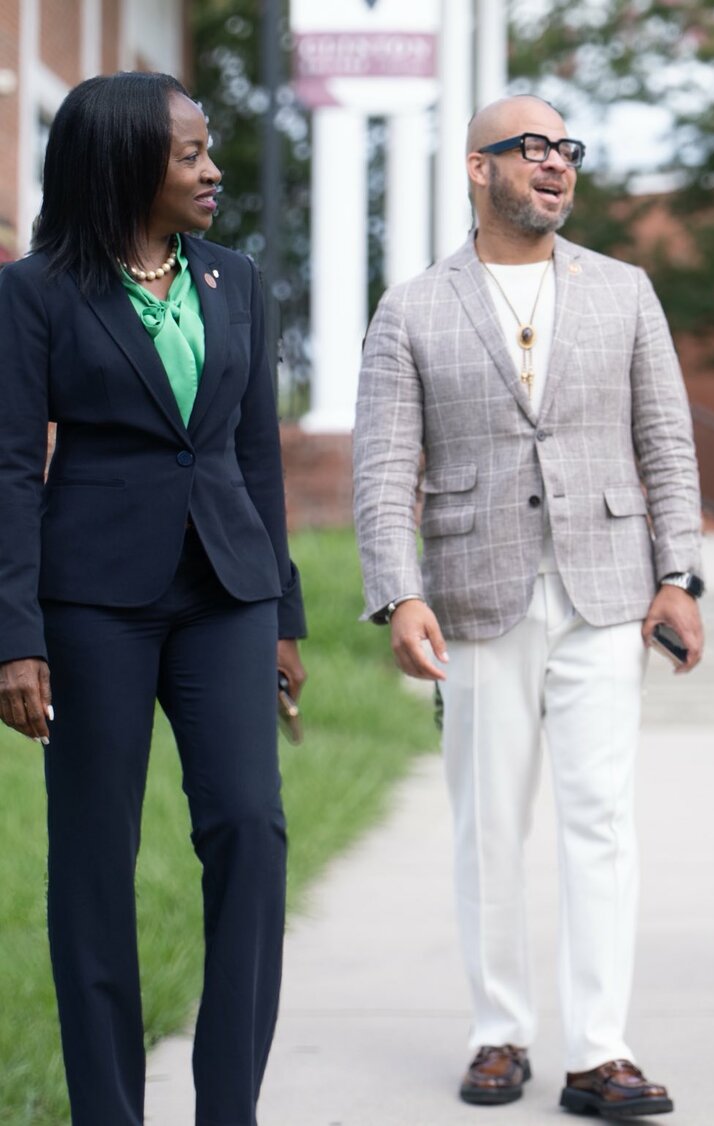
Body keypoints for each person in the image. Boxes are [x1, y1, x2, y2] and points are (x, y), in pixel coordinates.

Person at [353, 94, 702, 1117]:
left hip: (605, 589)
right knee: (487, 826)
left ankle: (598, 1050)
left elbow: (667, 442)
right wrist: (398, 592)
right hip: (472, 594)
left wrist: (678, 574)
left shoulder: (625, 291)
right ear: (478, 168)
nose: (554, 165)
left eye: (565, 150)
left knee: (600, 822)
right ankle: (497, 1033)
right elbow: (381, 472)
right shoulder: (411, 307)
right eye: (530, 149)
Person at [0, 72, 307, 1125]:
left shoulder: (235, 280)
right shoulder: (35, 293)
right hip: (92, 603)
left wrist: (284, 613)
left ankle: (228, 1106)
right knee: (93, 861)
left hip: (225, 590)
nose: (213, 169)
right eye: (190, 154)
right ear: (127, 162)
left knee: (251, 830)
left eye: (210, 149)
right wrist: (14, 634)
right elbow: (5, 467)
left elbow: (253, 454)